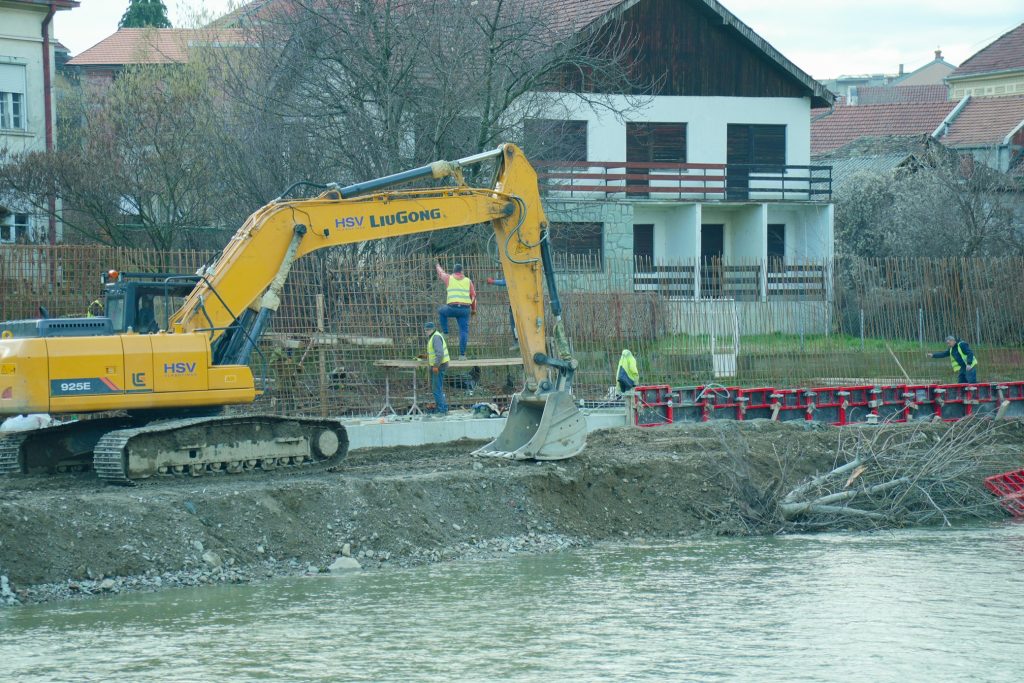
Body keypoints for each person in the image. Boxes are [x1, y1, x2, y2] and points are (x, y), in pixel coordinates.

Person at [436, 262, 476, 360]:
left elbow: (441, 273)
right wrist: (474, 309)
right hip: (465, 310)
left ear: (453, 271)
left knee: (441, 311)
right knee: (463, 332)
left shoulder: (448, 278)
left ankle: (445, 333)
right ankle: (462, 355)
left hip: (452, 308)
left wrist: (437, 265)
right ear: (462, 271)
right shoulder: (468, 281)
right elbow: (473, 296)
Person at [485, 276, 519, 351]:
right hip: (522, 304)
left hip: (516, 304)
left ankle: (517, 343)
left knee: (514, 325)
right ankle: (520, 343)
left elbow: (505, 282)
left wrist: (492, 281)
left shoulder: (515, 274)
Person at [424, 321, 449, 414]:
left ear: (432, 329)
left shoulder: (436, 337)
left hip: (439, 366)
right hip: (439, 365)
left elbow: (440, 353)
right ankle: (443, 407)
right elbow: (435, 352)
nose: (426, 332)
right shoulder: (434, 336)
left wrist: (435, 366)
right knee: (438, 388)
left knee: (436, 388)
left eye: (427, 330)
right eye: (425, 330)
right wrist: (427, 356)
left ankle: (441, 410)